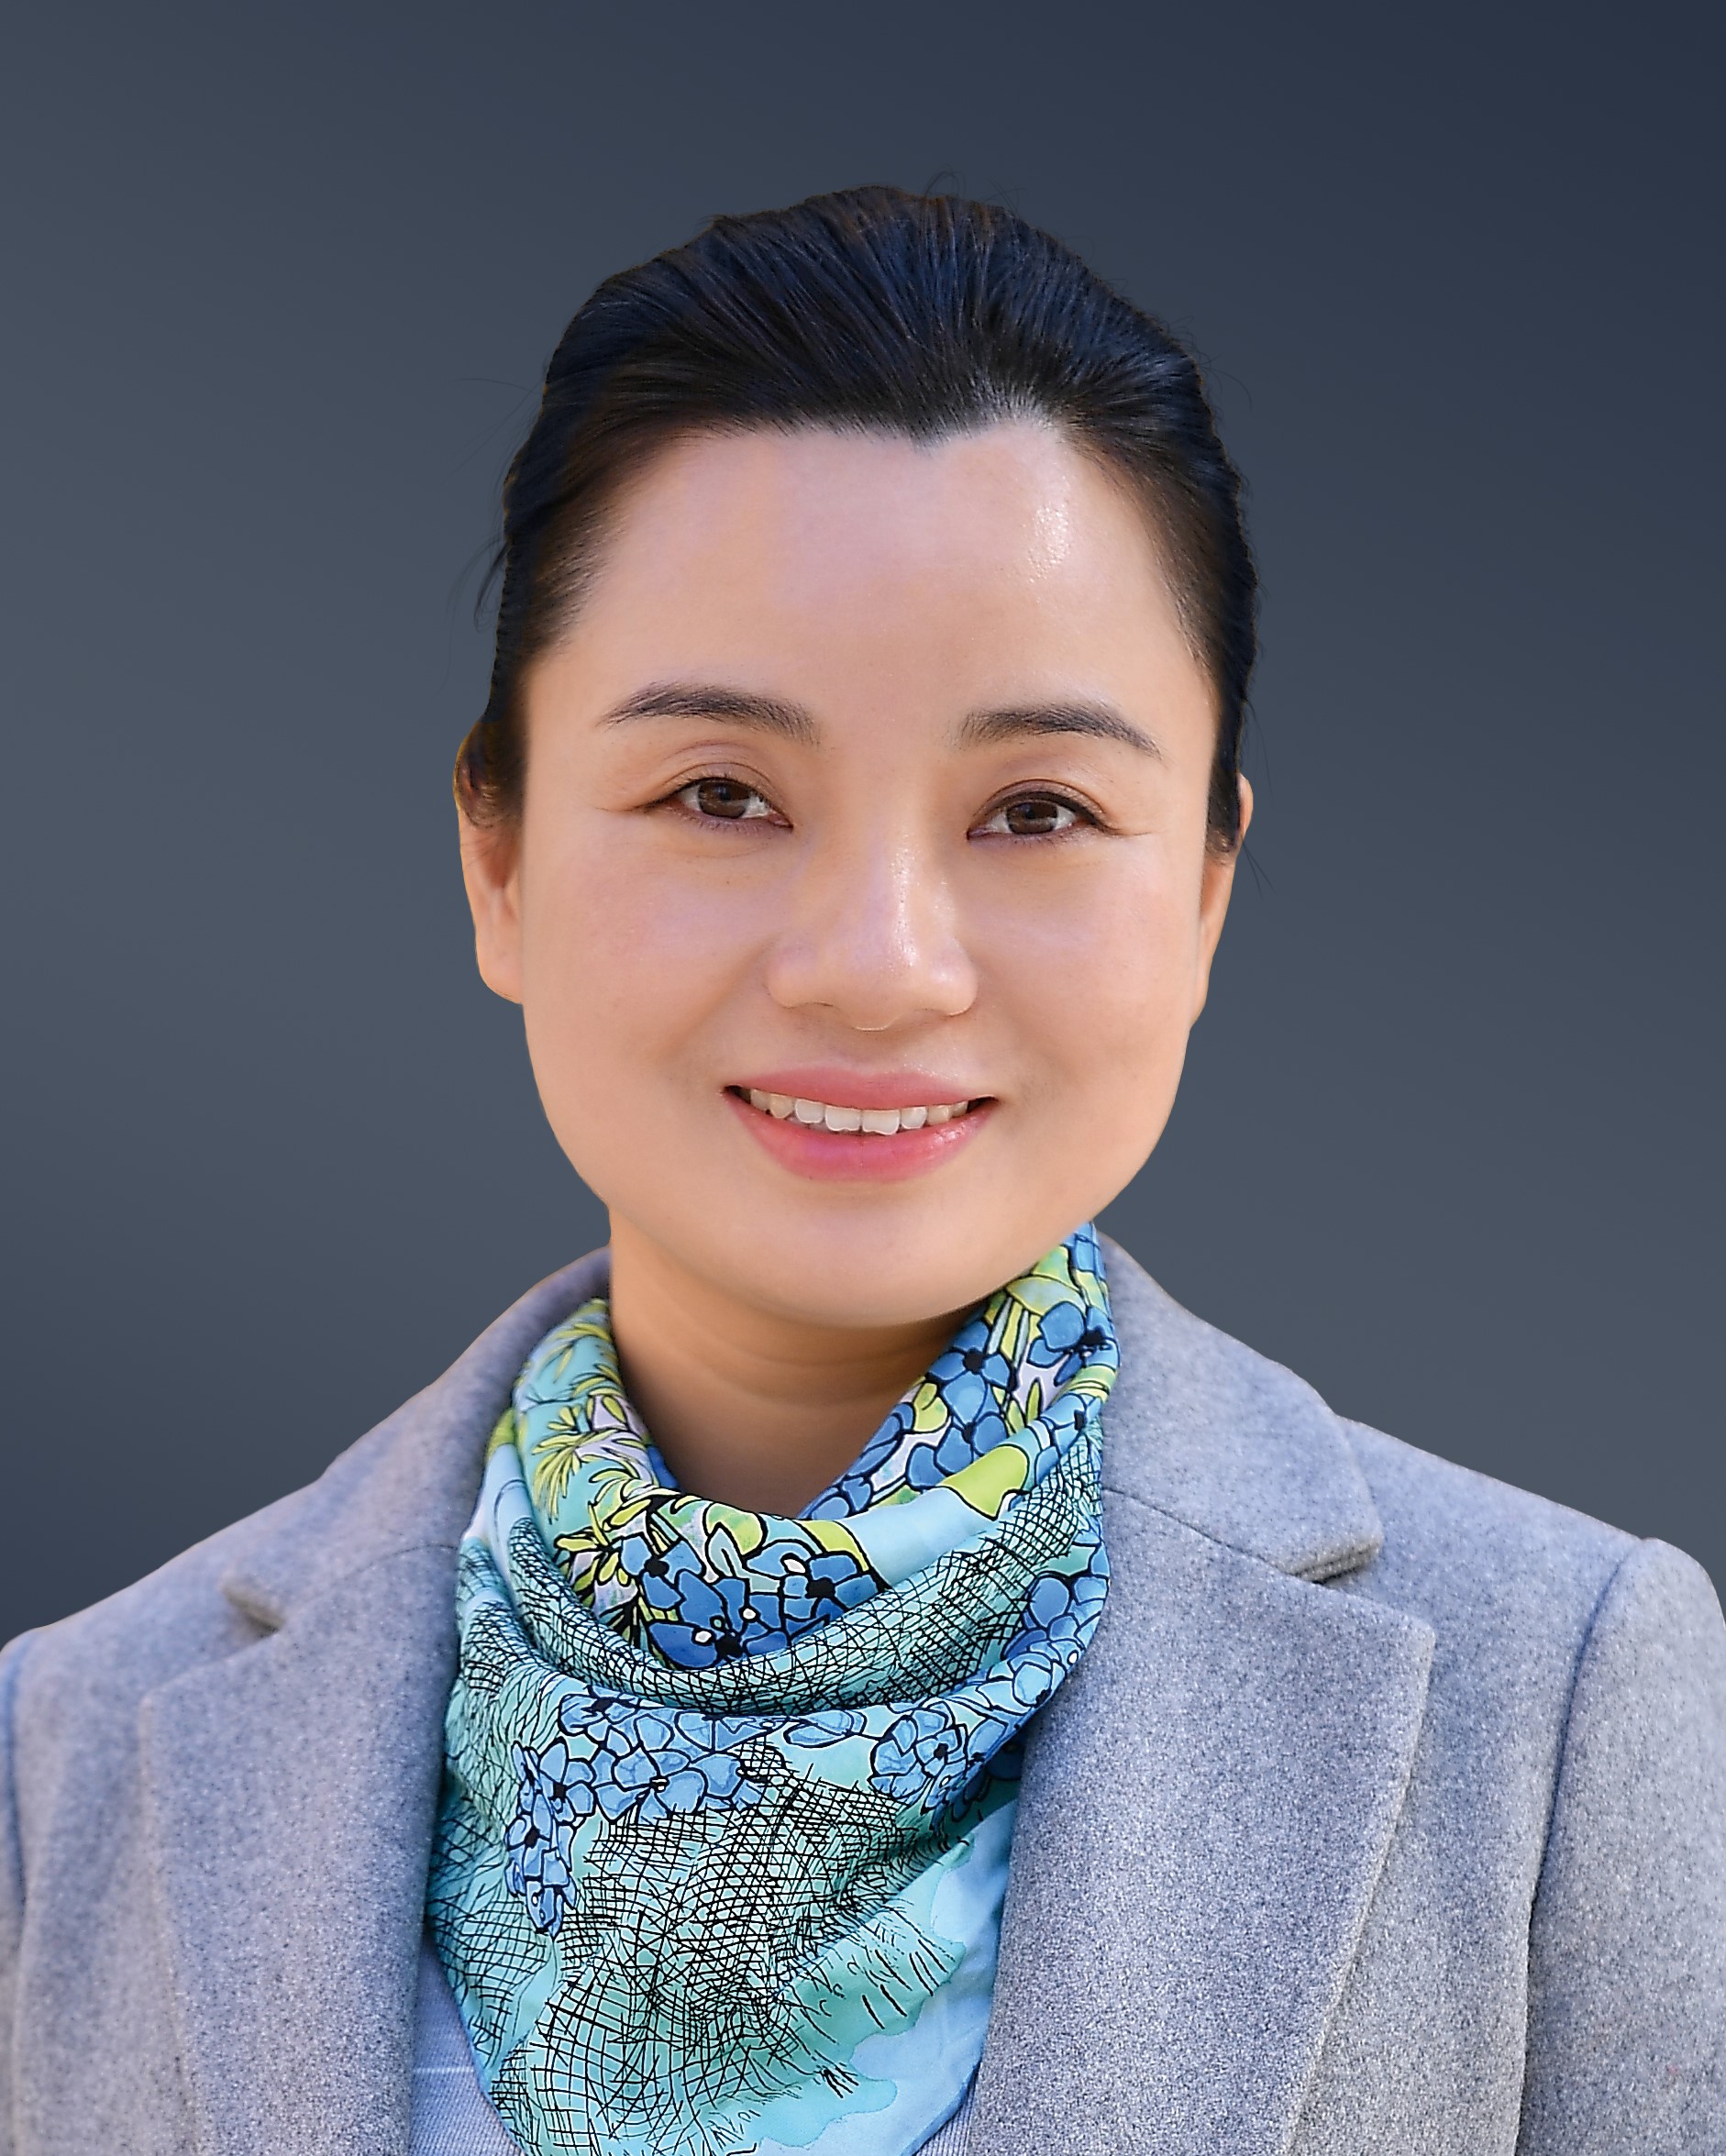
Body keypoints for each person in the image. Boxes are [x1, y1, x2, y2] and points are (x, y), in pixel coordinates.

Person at [1, 186, 1720, 2156]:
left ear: (1204, 891)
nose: (880, 964)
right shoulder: (69, 1758)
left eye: (1036, 811)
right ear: (499, 857)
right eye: (719, 793)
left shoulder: (1557, 1702)